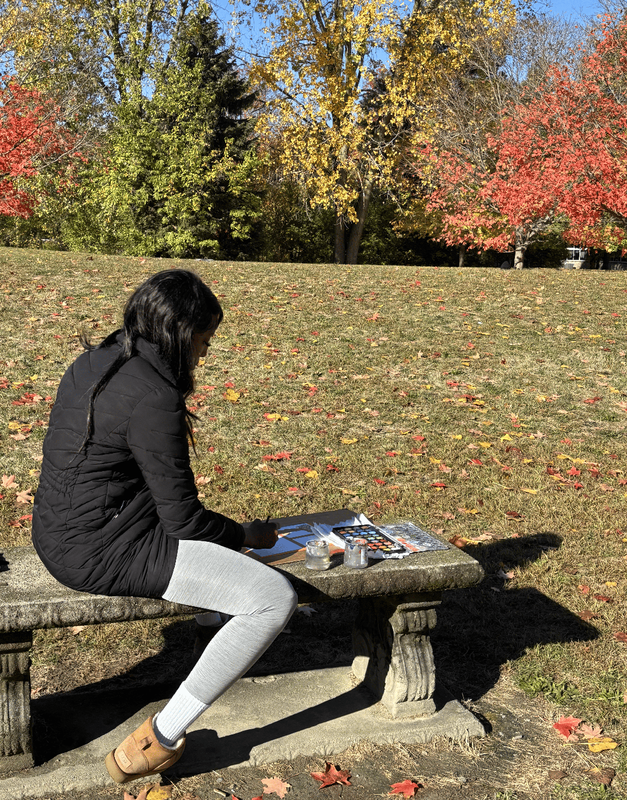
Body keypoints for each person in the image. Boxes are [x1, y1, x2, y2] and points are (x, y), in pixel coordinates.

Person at [32, 269, 297, 783]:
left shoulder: (95, 360)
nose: (204, 354)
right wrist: (248, 535)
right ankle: (161, 737)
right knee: (271, 597)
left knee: (210, 557)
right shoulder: (155, 394)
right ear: (178, 335)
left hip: (59, 529)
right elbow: (184, 521)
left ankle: (208, 633)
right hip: (99, 549)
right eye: (202, 341)